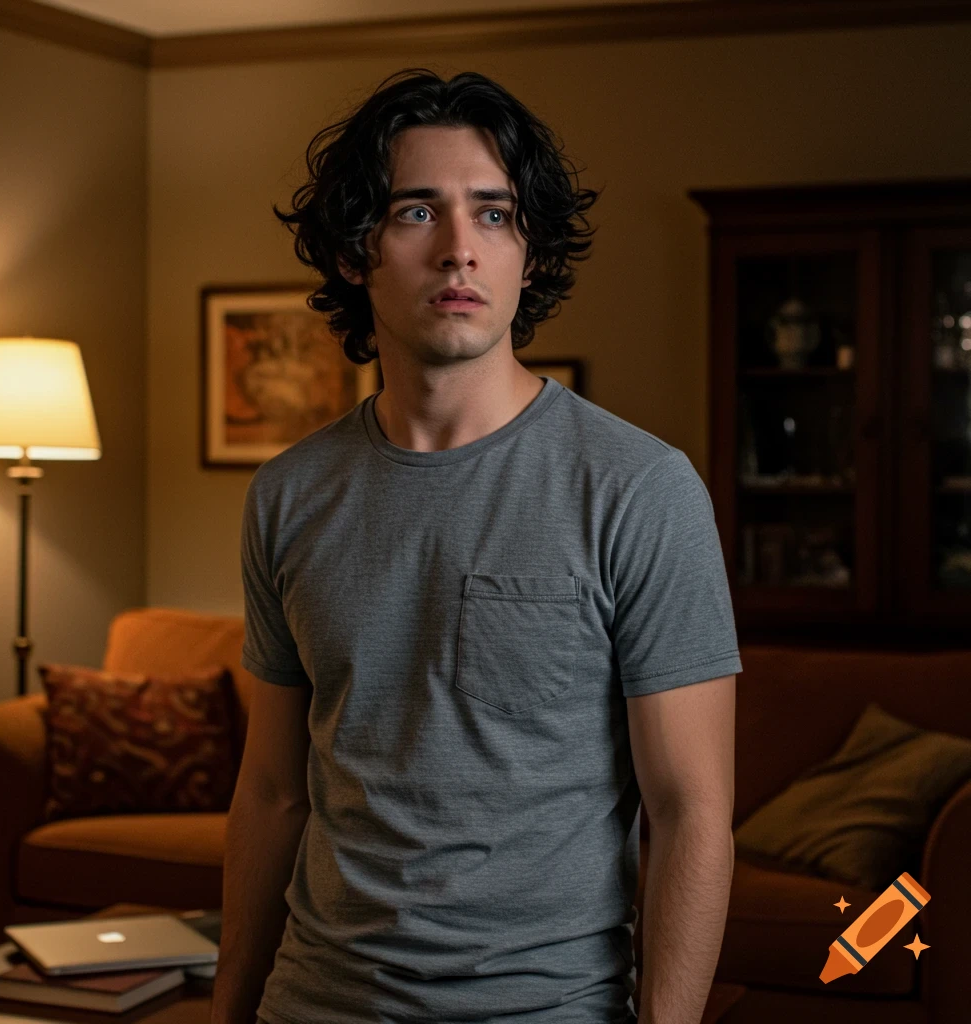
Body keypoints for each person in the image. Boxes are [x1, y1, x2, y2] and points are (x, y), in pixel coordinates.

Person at [210, 67, 740, 1024]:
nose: (460, 249)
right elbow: (271, 792)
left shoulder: (640, 489)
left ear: (529, 255)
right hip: (314, 1002)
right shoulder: (286, 495)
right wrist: (228, 1011)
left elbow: (691, 814)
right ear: (353, 251)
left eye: (493, 215)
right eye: (418, 212)